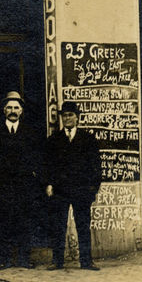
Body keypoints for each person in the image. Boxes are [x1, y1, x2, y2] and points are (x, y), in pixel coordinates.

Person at [44, 100, 104, 270]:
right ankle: (58, 261)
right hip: (60, 190)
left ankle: (86, 261)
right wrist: (49, 184)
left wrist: (93, 188)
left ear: (77, 118)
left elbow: (95, 166)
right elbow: (48, 165)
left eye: (70, 115)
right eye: (64, 115)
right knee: (58, 225)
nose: (67, 118)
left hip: (82, 190)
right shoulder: (54, 140)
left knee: (83, 225)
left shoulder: (88, 139)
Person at [0, 90, 44, 268]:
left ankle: (23, 258)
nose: (13, 111)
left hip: (24, 185)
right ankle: (3, 259)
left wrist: (33, 176)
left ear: (21, 111)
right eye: (9, 107)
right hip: (3, 185)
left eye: (16, 107)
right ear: (4, 110)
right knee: (3, 221)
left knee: (24, 221)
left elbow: (36, 157)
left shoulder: (30, 132)